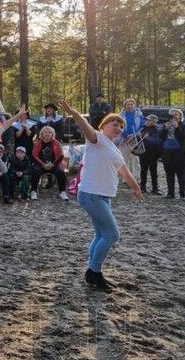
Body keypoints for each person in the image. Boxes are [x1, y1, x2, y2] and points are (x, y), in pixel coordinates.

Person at [58, 100, 143, 292]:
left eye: (121, 126)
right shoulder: (96, 139)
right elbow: (85, 126)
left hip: (104, 196)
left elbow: (125, 172)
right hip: (91, 194)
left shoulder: (114, 149)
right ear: (103, 125)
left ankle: (92, 271)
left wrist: (136, 188)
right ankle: (94, 272)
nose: (118, 128)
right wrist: (74, 112)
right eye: (115, 124)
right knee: (112, 234)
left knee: (101, 234)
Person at [30, 126, 68, 200]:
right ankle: (33, 191)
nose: (47, 134)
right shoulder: (37, 143)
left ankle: (62, 192)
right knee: (35, 171)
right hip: (41, 164)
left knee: (61, 172)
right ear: (42, 134)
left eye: (50, 132)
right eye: (45, 132)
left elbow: (61, 155)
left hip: (53, 164)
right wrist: (43, 164)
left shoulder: (56, 143)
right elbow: (34, 156)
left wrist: (53, 164)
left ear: (52, 134)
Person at [160, 109, 185, 199]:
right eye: (172, 115)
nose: (174, 116)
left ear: (180, 116)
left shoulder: (183, 125)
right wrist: (165, 129)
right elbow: (160, 136)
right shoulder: (166, 124)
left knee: (181, 173)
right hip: (167, 150)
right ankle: (170, 193)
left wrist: (177, 127)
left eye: (176, 114)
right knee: (169, 172)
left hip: (179, 151)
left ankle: (182, 193)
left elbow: (183, 136)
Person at [118, 99, 144, 180]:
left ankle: (136, 177)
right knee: (124, 159)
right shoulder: (120, 116)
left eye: (131, 104)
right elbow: (118, 127)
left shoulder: (140, 115)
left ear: (134, 106)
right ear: (125, 106)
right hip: (124, 140)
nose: (130, 106)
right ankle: (126, 178)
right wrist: (125, 135)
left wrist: (134, 135)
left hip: (136, 140)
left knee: (135, 159)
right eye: (128, 104)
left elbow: (142, 126)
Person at [138, 114, 163, 195]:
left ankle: (155, 189)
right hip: (143, 152)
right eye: (147, 120)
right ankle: (142, 187)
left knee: (153, 171)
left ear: (154, 121)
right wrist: (138, 136)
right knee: (143, 170)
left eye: (149, 120)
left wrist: (149, 138)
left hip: (153, 153)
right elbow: (140, 139)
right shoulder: (144, 128)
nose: (147, 121)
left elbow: (158, 141)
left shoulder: (157, 130)